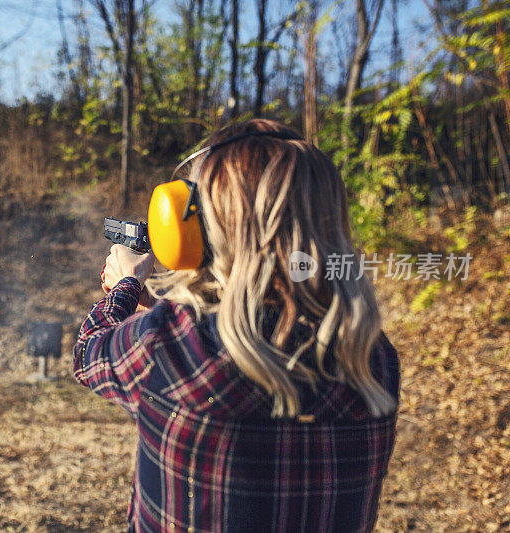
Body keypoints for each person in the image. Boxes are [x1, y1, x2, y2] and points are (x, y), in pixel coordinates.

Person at [73, 119, 400, 532]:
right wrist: (158, 307)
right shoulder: (374, 357)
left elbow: (89, 349)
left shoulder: (173, 346)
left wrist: (126, 284)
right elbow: (262, 332)